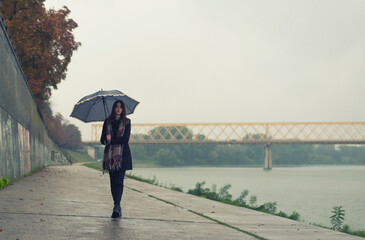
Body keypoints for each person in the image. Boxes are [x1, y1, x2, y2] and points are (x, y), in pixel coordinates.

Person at [100, 100, 132, 218]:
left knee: (119, 181)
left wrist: (111, 140)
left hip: (122, 156)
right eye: (116, 107)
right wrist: (106, 139)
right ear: (113, 108)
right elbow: (102, 140)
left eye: (120, 107)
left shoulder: (127, 122)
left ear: (123, 109)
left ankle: (117, 207)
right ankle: (116, 205)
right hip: (110, 156)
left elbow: (125, 139)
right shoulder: (107, 122)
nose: (118, 109)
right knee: (113, 182)